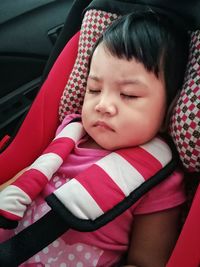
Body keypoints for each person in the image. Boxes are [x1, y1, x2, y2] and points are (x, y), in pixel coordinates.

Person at [0, 10, 189, 267]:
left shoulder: (159, 182)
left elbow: (146, 261)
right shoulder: (70, 132)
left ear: (170, 107)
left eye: (129, 95)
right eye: (95, 89)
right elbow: (27, 177)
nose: (103, 105)